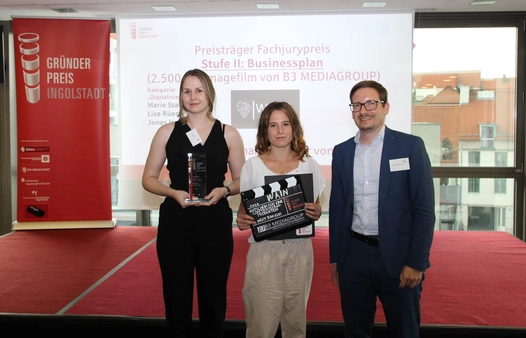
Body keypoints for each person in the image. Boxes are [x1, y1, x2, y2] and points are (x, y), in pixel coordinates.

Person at [142, 68, 245, 338]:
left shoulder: (229, 133)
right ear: (180, 96)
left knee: (213, 299)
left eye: (198, 90)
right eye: (187, 91)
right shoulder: (166, 132)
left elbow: (242, 180)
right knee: (176, 298)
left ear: (209, 93)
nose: (193, 96)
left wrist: (224, 189)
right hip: (176, 223)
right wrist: (174, 193)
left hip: (215, 223)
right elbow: (148, 179)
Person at [328, 80, 435, 338]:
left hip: (399, 258)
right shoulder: (342, 152)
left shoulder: (409, 146)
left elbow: (424, 209)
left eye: (370, 103)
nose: (363, 109)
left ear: (385, 106)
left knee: (404, 331)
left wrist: (416, 262)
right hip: (353, 256)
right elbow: (338, 208)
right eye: (357, 104)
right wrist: (336, 258)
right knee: (355, 331)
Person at [236, 101, 325, 338]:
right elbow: (242, 212)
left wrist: (316, 211)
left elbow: (315, 206)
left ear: (294, 127)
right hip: (264, 253)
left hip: (300, 251)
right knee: (260, 327)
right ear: (265, 130)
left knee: (295, 326)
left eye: (285, 124)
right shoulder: (252, 167)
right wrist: (242, 220)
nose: (280, 131)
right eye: (273, 125)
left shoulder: (310, 165)